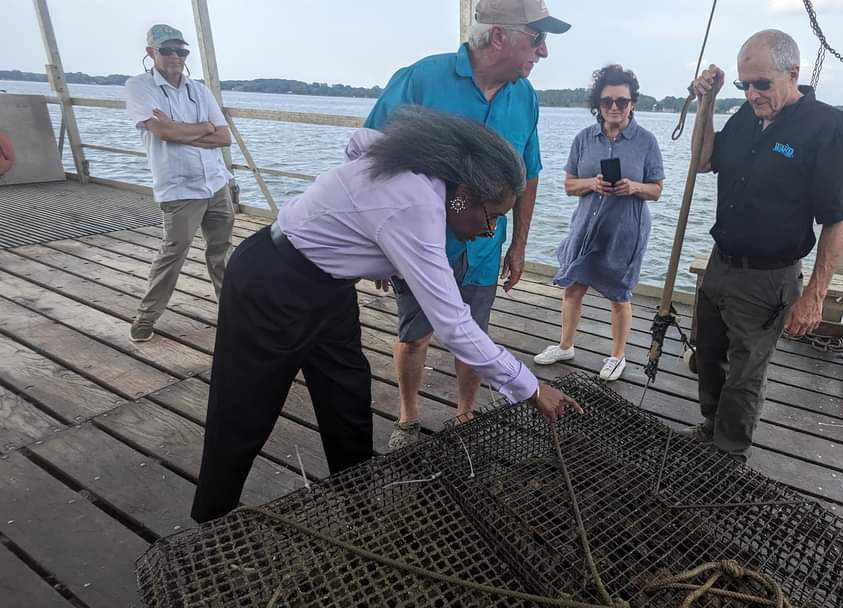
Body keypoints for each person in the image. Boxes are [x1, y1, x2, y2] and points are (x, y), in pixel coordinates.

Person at [190, 108, 582, 523]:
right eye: (492, 220)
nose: (487, 233)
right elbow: (455, 325)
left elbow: (359, 142)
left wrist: (365, 237)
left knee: (348, 398)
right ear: (463, 193)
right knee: (245, 407)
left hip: (330, 289)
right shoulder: (417, 205)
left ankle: (359, 508)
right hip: (270, 282)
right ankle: (211, 519)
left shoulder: (421, 173)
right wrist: (532, 389)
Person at [363, 0, 571, 449]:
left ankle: (465, 417)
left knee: (473, 334)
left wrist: (518, 245)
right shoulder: (421, 78)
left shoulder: (525, 96)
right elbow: (370, 155)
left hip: (483, 248)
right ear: (499, 36)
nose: (544, 52)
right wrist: (381, 247)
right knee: (413, 334)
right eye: (537, 39)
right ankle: (407, 419)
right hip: (417, 247)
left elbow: (530, 172)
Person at [683, 29, 843, 461]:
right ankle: (711, 426)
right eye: (744, 84)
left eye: (761, 83)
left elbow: (837, 220)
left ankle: (729, 452)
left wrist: (814, 296)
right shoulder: (745, 116)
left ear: (792, 73)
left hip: (769, 278)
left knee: (745, 373)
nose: (752, 93)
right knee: (706, 353)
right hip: (720, 264)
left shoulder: (827, 127)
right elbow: (703, 161)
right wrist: (707, 105)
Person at [533, 65, 664, 382]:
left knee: (620, 295)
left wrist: (633, 187)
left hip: (625, 230)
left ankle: (618, 356)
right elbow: (568, 186)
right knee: (573, 287)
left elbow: (657, 190)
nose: (615, 107)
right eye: (608, 102)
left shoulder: (646, 141)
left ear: (633, 102)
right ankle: (565, 345)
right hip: (586, 227)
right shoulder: (583, 139)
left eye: (622, 101)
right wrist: (592, 183)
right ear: (598, 104)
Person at [124, 24, 234, 342]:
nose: (175, 56)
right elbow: (164, 133)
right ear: (151, 52)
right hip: (179, 187)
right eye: (167, 50)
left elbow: (224, 136)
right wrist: (200, 129)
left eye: (181, 50)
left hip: (215, 183)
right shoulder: (139, 87)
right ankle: (145, 319)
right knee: (173, 253)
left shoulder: (198, 89)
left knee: (221, 252)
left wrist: (181, 129)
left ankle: (230, 311)